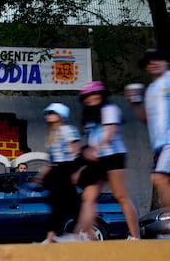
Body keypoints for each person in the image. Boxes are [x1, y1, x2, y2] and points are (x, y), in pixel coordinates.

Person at [74, 81, 140, 240]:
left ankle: (135, 236)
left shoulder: (109, 109)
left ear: (102, 95)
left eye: (95, 94)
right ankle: (84, 235)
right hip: (96, 160)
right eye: (88, 96)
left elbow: (110, 132)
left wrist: (95, 149)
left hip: (113, 156)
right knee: (88, 197)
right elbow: (88, 143)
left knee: (121, 195)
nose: (92, 98)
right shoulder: (89, 117)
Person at [125, 48, 170, 208]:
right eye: (150, 62)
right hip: (159, 145)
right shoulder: (151, 89)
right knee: (161, 180)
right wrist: (135, 104)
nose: (154, 64)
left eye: (159, 59)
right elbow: (148, 120)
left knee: (159, 178)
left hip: (168, 142)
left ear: (167, 62)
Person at [33, 103, 82, 243]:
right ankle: (54, 236)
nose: (49, 115)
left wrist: (75, 170)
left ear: (60, 115)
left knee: (66, 204)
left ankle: (82, 234)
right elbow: (52, 160)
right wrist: (41, 175)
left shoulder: (67, 130)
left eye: (53, 112)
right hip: (56, 171)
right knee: (61, 204)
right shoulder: (51, 134)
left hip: (66, 169)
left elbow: (75, 150)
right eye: (48, 113)